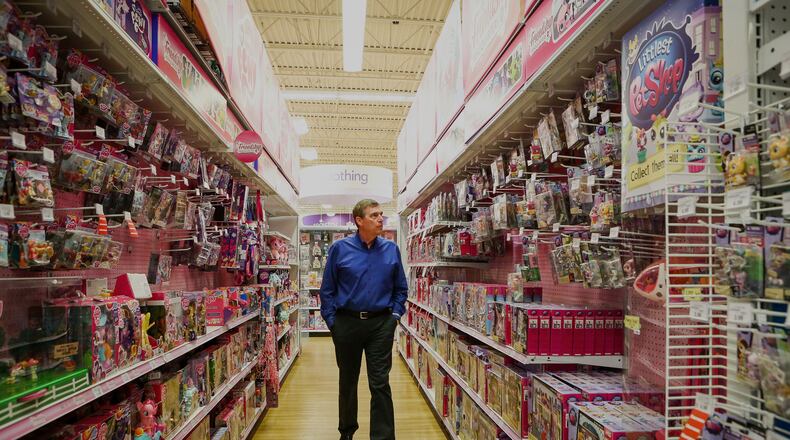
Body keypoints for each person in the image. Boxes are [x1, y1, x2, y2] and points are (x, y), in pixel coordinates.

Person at [319, 198, 408, 440]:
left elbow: (401, 289)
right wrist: (332, 323)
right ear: (359, 220)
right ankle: (346, 433)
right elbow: (327, 290)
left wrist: (395, 317)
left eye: (381, 214)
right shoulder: (339, 249)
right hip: (346, 324)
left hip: (381, 324)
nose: (381, 219)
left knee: (380, 383)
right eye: (374, 215)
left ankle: (383, 437)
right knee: (347, 380)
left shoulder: (391, 249)